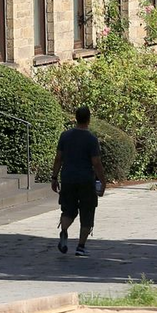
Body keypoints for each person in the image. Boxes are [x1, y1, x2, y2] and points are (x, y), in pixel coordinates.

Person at [51, 105, 109, 256]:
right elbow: (96, 163)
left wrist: (54, 177)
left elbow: (58, 159)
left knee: (68, 209)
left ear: (75, 118)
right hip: (85, 180)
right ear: (88, 120)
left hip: (68, 178)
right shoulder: (91, 139)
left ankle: (64, 230)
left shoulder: (65, 136)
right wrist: (103, 181)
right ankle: (81, 247)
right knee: (87, 212)